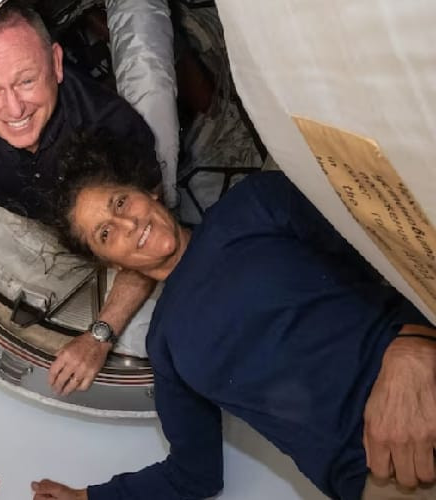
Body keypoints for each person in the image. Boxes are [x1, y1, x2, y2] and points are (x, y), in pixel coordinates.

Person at [31, 135, 436, 499]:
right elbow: (194, 475)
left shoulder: (254, 204)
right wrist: (87, 498)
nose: (128, 223)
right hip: (383, 476)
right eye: (105, 233)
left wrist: (415, 344)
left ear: (149, 192)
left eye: (121, 202)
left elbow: (396, 246)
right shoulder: (165, 344)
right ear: (109, 263)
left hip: (421, 382)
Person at [0, 2, 163, 395]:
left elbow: (153, 240)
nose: (14, 108)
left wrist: (99, 336)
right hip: (29, 220)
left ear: (56, 63)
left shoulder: (112, 128)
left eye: (27, 81)